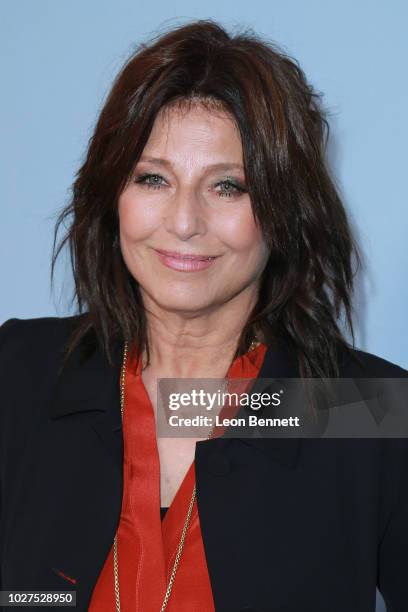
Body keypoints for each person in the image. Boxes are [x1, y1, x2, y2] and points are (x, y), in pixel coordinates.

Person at [0, 18, 407, 612]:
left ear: (284, 212)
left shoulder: (368, 410)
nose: (185, 222)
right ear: (113, 198)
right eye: (153, 178)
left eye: (228, 187)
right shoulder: (19, 374)